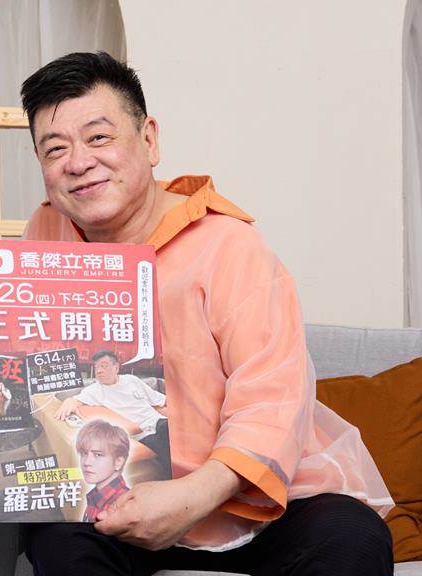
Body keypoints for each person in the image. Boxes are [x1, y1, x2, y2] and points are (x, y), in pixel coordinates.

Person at [19, 52, 393, 575]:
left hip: (248, 499)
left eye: (98, 137)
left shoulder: (230, 244)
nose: (78, 162)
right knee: (55, 538)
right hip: (123, 495)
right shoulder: (44, 235)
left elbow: (272, 396)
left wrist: (193, 494)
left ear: (149, 140)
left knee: (353, 536)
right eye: (55, 149)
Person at [55, 350, 169, 467]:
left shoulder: (132, 380)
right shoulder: (94, 390)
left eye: (104, 366)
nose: (99, 371)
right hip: (143, 434)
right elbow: (73, 401)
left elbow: (160, 399)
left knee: (171, 431)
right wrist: (68, 402)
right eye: (96, 367)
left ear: (116, 368)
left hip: (160, 422)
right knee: (166, 445)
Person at [75, 419, 131, 523]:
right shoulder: (96, 495)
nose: (86, 462)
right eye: (84, 453)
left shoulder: (122, 505)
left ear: (118, 462)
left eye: (98, 455)